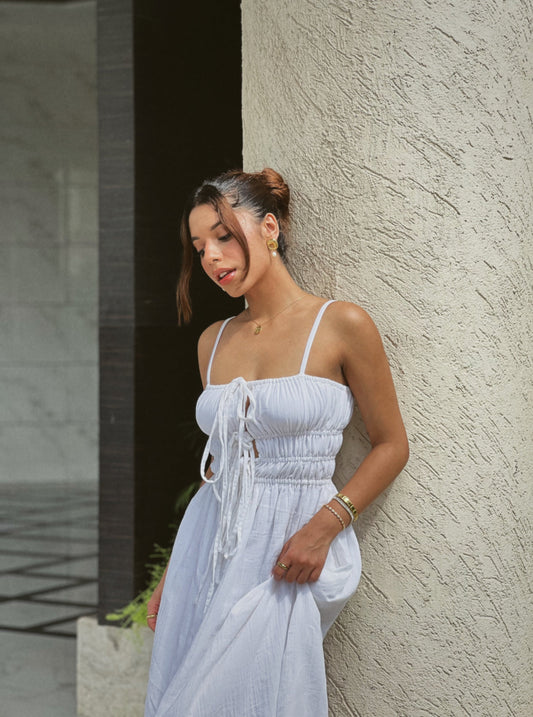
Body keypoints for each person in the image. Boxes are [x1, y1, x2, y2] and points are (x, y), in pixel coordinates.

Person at [144, 168, 409, 716]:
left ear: (268, 227)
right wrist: (176, 565)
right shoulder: (212, 342)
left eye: (222, 235)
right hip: (209, 544)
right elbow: (221, 467)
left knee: (258, 697)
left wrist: (324, 527)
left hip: (289, 548)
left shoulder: (340, 323)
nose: (212, 258)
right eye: (199, 248)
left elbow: (391, 444)